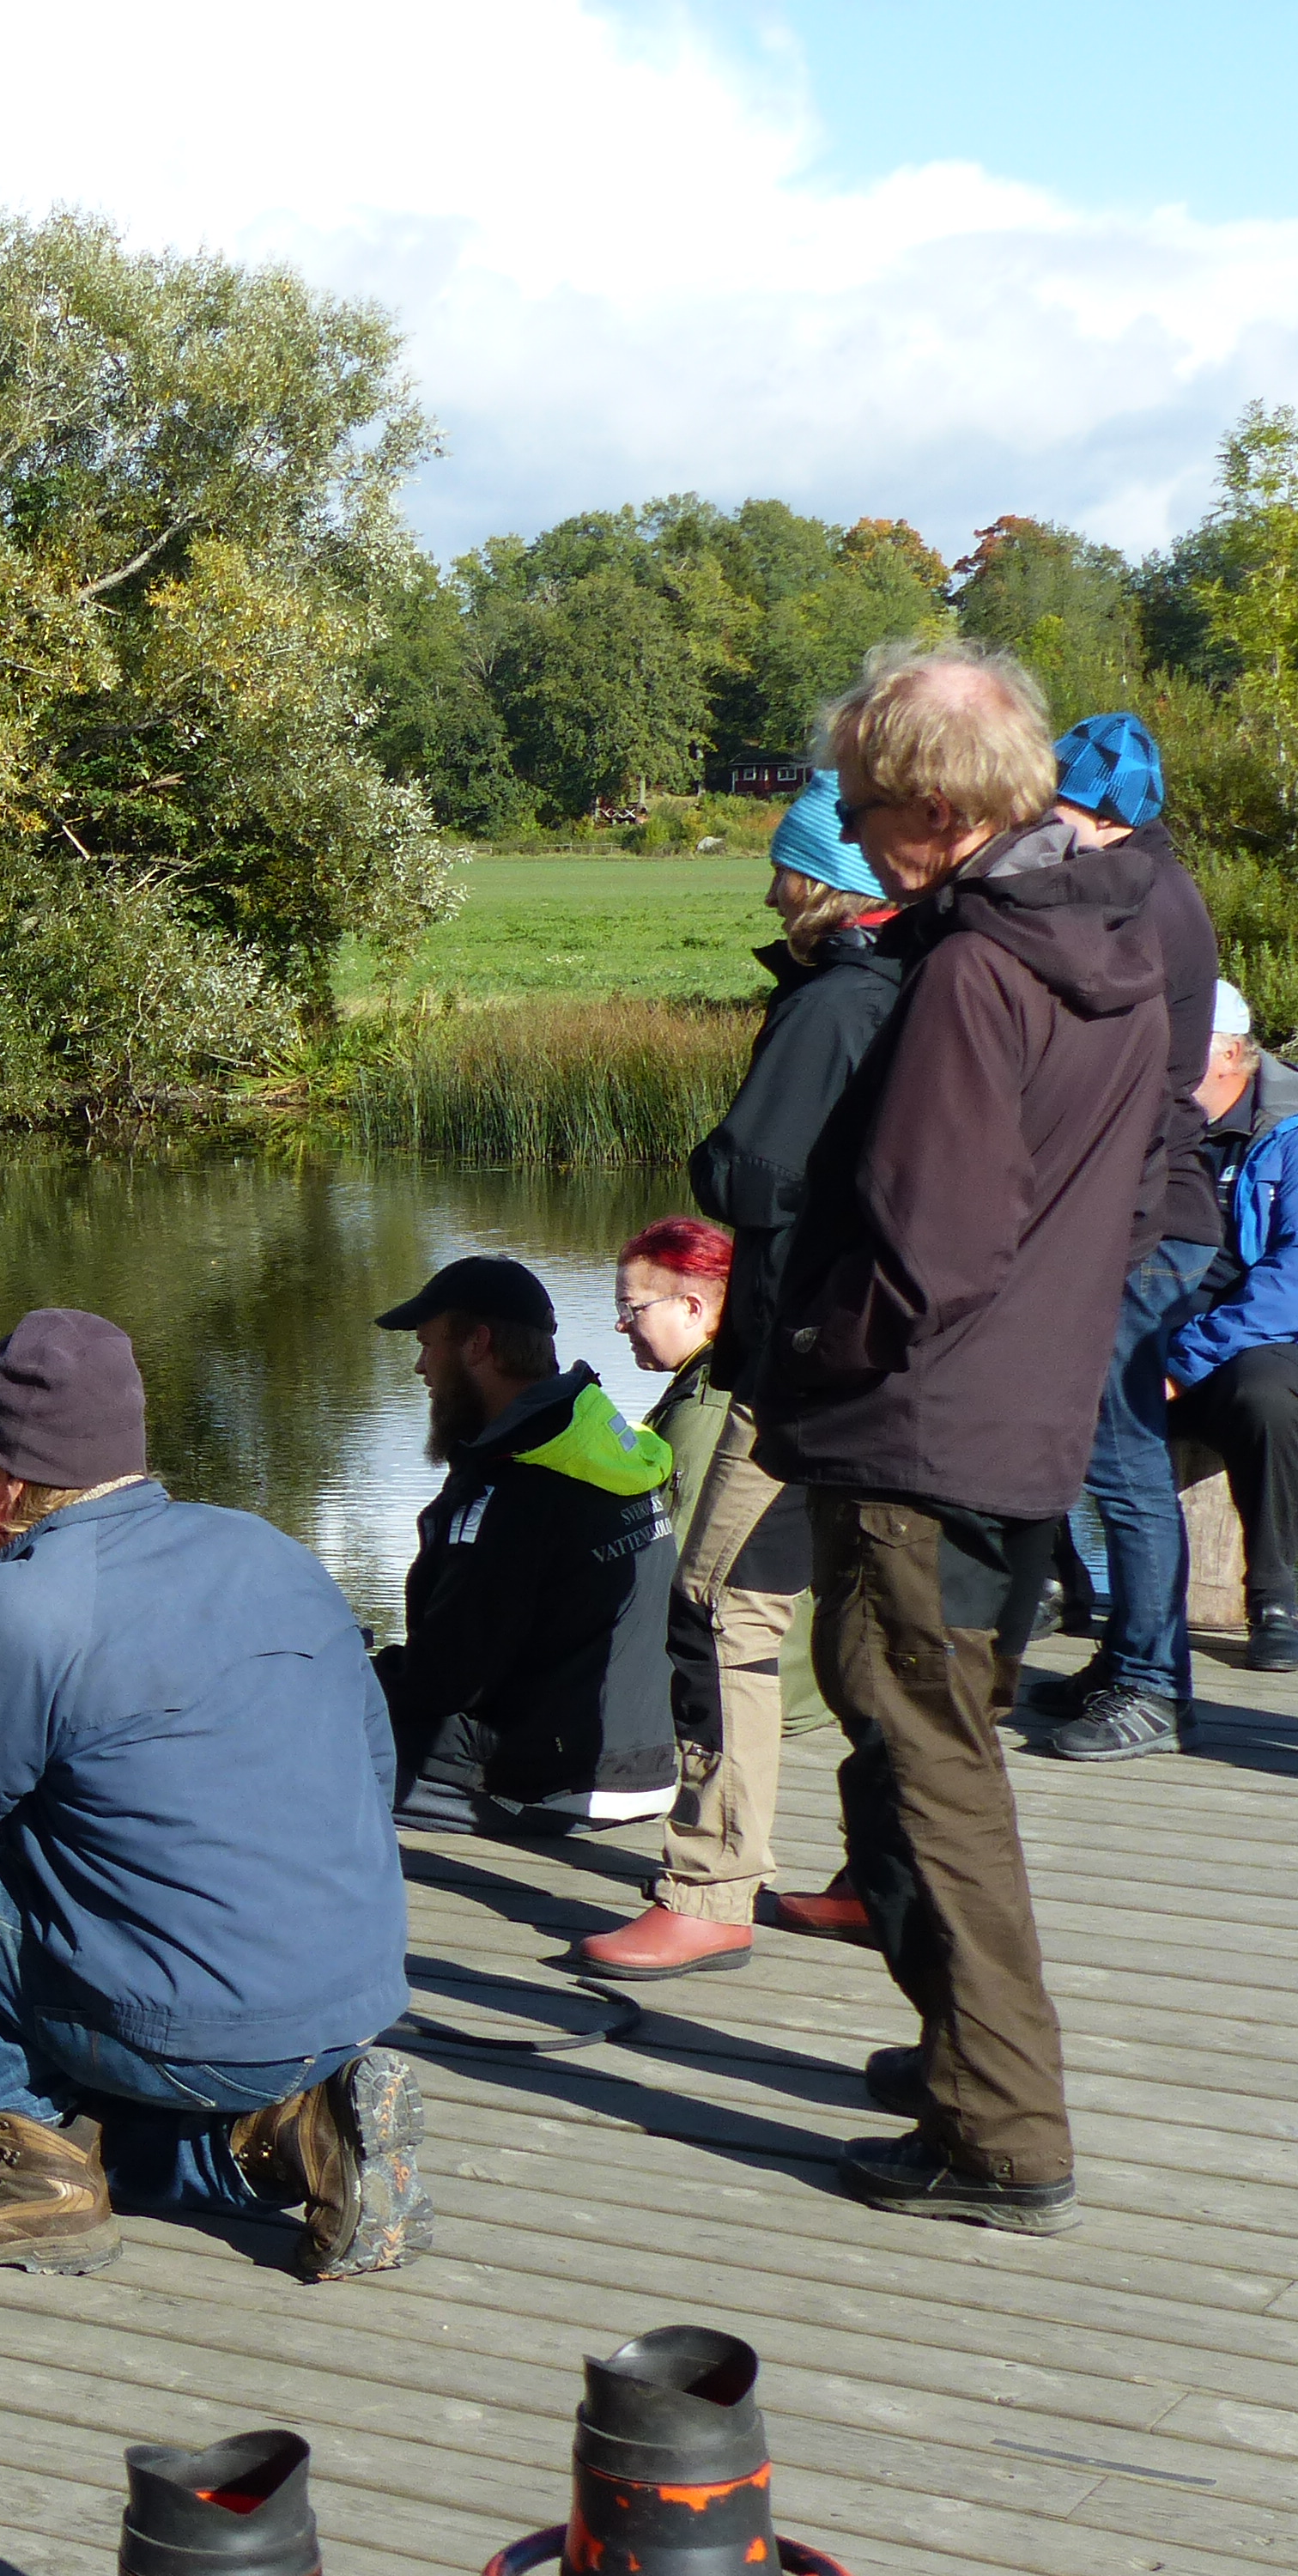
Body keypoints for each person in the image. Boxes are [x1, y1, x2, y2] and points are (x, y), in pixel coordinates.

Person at [755, 640, 1171, 2232]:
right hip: (1028, 1417)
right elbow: (1130, 1193)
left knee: (931, 1772)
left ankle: (1001, 2128)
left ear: (935, 809)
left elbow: (921, 1241)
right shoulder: (1117, 937)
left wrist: (812, 1356)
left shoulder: (973, 973)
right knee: (939, 1753)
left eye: (863, 805)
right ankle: (960, 2063)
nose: (849, 835)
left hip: (921, 1432)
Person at [0, 1309, 424, 2284]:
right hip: (352, 1995)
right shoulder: (267, 1548)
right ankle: (303, 2126)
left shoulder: (30, 1605)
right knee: (140, 2127)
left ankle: (34, 2170)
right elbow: (375, 1766)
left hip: (196, 2031)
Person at [588, 777, 907, 1967]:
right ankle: (885, 1877)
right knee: (867, 1627)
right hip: (882, 1363)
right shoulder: (913, 983)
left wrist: (715, 1157)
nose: (767, 884)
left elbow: (752, 1178)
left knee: (720, 1608)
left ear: (819, 878)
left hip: (798, 1367)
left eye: (782, 865)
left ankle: (710, 1890)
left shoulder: (833, 1003)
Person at [573, 1217, 828, 1976]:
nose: (621, 1325)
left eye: (634, 1307)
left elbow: (678, 1568)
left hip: (769, 1688)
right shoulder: (706, 1384)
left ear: (695, 1307)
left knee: (706, 1617)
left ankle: (710, 1892)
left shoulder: (713, 1407)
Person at [1038, 714, 1223, 1759]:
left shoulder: (1141, 899)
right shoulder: (1146, 883)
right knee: (1113, 1448)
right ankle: (1131, 1659)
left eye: (1058, 804)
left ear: (1104, 815)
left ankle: (1152, 1684)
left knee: (1118, 1453)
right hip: (1147, 1209)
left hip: (1149, 1216)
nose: (1043, 821)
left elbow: (1144, 1088)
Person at [372, 1256, 680, 1837]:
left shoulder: (517, 1488)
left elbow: (442, 1681)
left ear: (477, 1345)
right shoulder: (601, 1447)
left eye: (428, 1345)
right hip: (644, 1763)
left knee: (297, 1736)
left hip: (557, 1787)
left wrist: (343, 1673)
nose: (420, 1367)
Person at [1167, 986, 1298, 1678]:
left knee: (1266, 1393)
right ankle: (1053, 1578)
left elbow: (1291, 1281)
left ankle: (1278, 1599)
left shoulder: (1291, 1129)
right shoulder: (1152, 1122)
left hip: (1249, 1344)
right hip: (1157, 1329)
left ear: (1225, 1054)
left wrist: (1181, 1361)